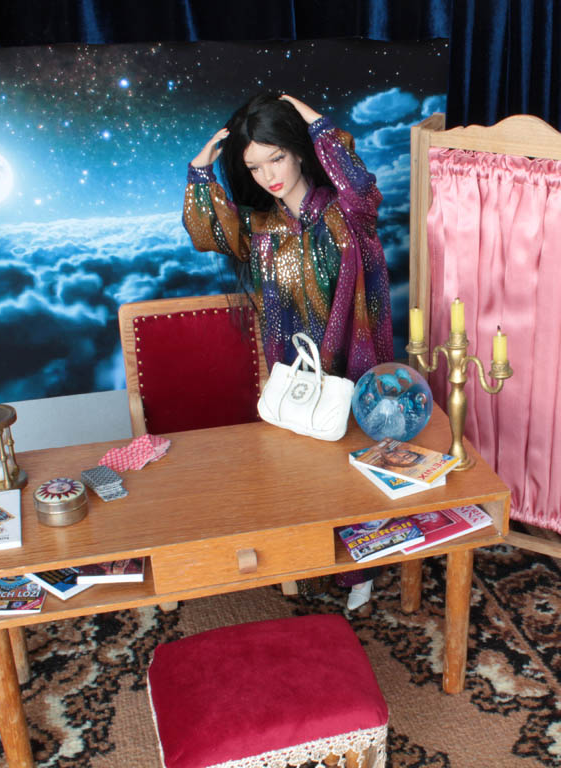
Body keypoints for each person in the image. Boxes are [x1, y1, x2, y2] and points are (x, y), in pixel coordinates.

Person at [184, 93, 392, 610]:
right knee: (302, 463)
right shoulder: (259, 229)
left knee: (357, 461)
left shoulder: (347, 212)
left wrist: (316, 123)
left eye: (276, 157)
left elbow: (362, 186)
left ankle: (360, 569)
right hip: (295, 366)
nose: (268, 175)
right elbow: (208, 232)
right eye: (254, 166)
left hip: (356, 356)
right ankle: (311, 558)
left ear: (298, 151)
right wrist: (200, 174)